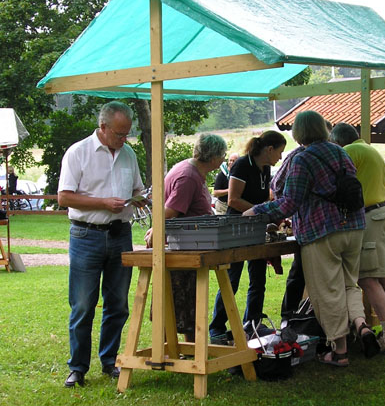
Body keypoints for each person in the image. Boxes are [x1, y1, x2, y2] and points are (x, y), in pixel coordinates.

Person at [243, 111, 379, 367]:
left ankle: (339, 352)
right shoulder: (342, 152)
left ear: (298, 133)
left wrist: (257, 211)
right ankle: (361, 325)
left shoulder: (302, 159)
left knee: (328, 292)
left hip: (322, 232)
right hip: (355, 227)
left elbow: (289, 202)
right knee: (349, 285)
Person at [58, 101, 145, 388]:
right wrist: (103, 203)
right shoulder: (78, 152)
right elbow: (65, 198)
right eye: (119, 134)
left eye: (127, 134)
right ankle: (78, 368)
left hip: (121, 234)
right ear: (103, 127)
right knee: (83, 304)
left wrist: (141, 198)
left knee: (118, 304)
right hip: (86, 235)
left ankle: (110, 362)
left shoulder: (128, 153)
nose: (124, 139)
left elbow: (136, 189)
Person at [144, 133, 227, 342]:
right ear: (214, 156)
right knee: (176, 300)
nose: (223, 159)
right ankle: (165, 347)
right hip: (181, 248)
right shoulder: (188, 176)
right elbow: (169, 211)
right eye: (222, 155)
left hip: (189, 245)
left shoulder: (192, 171)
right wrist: (155, 230)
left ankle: (190, 346)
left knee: (189, 301)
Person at [330, 122, 385, 353]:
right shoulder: (371, 150)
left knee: (367, 278)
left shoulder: (349, 151)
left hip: (371, 216)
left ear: (338, 142)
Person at [209, 130, 286, 341]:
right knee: (231, 280)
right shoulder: (243, 165)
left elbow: (264, 197)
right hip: (237, 229)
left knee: (258, 278)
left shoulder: (266, 168)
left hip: (257, 229)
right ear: (269, 149)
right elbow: (233, 200)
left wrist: (268, 215)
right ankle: (216, 327)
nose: (280, 157)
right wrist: (262, 213)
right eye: (279, 152)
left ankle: (252, 322)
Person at [276, 121, 333, 327]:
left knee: (301, 272)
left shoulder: (299, 157)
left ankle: (293, 317)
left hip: (311, 226)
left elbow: (278, 186)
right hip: (338, 226)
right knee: (308, 274)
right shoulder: (338, 153)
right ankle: (296, 317)